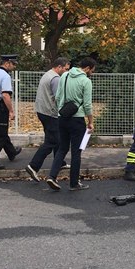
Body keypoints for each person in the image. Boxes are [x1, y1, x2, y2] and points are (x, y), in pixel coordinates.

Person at [46, 57, 96, 191]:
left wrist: (62, 109)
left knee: (62, 148)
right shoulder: (86, 81)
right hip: (77, 119)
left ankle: (52, 176)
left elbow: (57, 97)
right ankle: (74, 183)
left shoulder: (65, 76)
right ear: (88, 68)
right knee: (76, 152)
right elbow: (87, 104)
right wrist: (90, 121)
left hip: (62, 117)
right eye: (92, 70)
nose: (92, 73)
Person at [25, 57, 71, 182]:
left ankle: (60, 162)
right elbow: (59, 97)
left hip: (42, 111)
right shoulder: (56, 78)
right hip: (50, 113)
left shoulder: (47, 74)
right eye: (65, 69)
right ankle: (33, 166)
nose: (66, 72)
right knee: (52, 141)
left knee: (58, 138)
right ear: (59, 67)